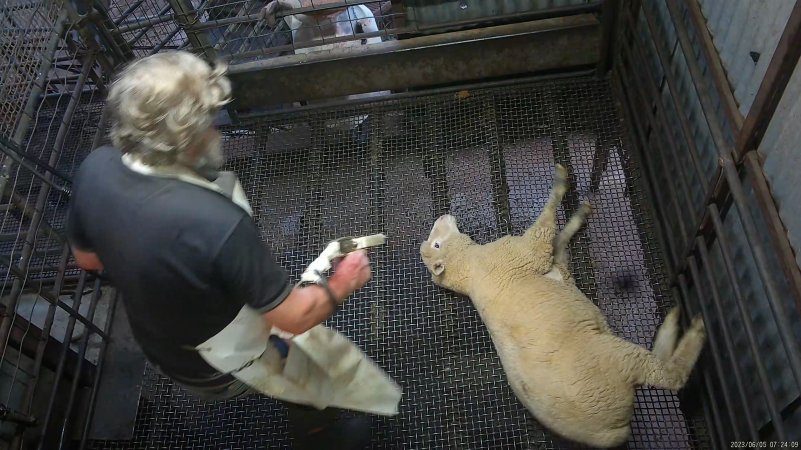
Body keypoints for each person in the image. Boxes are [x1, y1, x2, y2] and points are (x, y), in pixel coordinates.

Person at [66, 51, 374, 449]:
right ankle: (324, 439)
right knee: (309, 369)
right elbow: (297, 316)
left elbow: (87, 259)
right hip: (220, 364)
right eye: (210, 120)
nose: (216, 129)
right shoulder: (217, 224)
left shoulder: (96, 167)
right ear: (190, 136)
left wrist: (154, 260)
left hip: (161, 345)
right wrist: (344, 282)